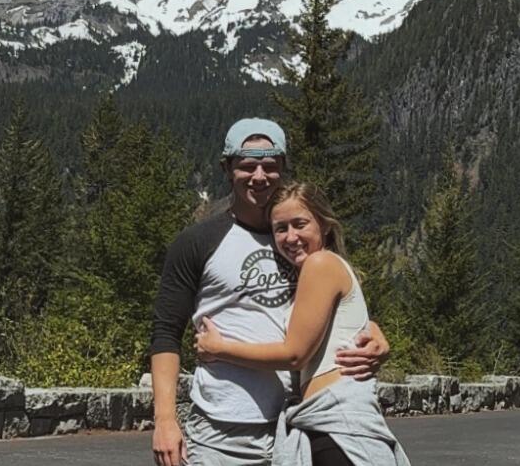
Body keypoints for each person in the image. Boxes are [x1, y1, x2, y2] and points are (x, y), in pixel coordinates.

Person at [150, 119, 389, 466]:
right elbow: (166, 333)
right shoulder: (198, 242)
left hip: (294, 427)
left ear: (283, 170)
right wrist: (165, 420)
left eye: (270, 166)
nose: (259, 176)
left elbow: (331, 306)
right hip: (221, 431)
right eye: (247, 166)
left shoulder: (298, 245)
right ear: (227, 169)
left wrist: (372, 333)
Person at [195, 183, 409, 466]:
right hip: (327, 422)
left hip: (338, 425)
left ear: (324, 226)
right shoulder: (318, 272)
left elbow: (295, 354)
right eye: (280, 228)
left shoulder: (320, 264)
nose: (290, 236)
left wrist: (219, 348)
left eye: (300, 224)